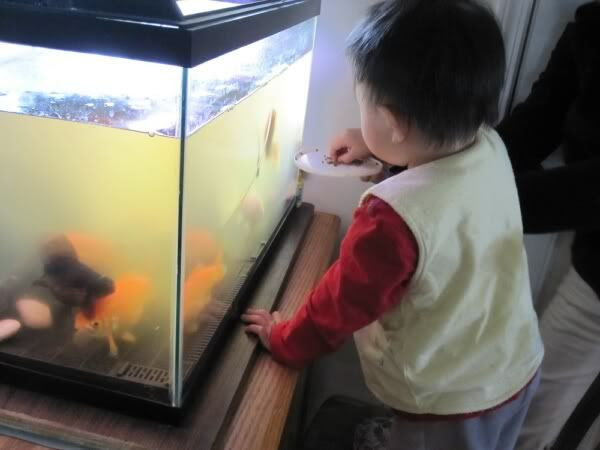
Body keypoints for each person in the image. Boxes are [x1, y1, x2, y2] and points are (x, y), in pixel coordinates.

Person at [243, 1, 544, 449]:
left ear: (392, 121)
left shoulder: (390, 219)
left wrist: (284, 339)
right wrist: (377, 146)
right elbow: (443, 188)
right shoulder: (488, 146)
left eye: (364, 105)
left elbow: (340, 305)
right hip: (515, 365)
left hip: (449, 405)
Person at [496, 2, 600, 449]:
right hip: (594, 264)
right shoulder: (592, 24)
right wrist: (415, 153)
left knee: (532, 417)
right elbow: (534, 124)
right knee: (528, 412)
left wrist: (469, 196)